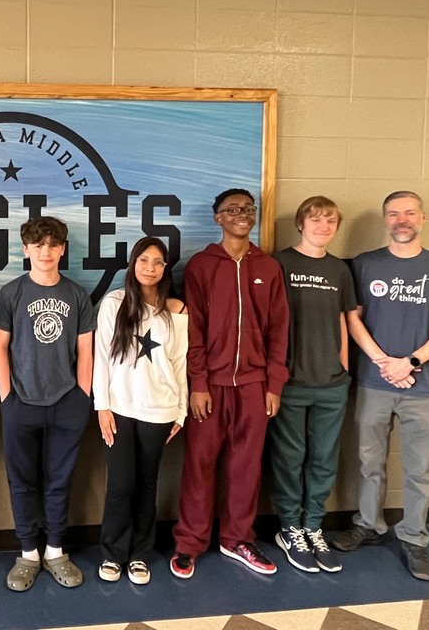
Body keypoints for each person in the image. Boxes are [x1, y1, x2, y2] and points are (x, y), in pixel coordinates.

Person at [331, 191, 429, 581]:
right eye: (394, 214)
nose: (402, 219)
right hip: (374, 382)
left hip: (425, 386)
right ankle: (368, 524)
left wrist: (409, 362)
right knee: (368, 461)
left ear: (422, 219)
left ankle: (414, 538)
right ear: (385, 220)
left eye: (409, 213)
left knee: (419, 468)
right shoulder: (364, 265)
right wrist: (384, 362)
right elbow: (353, 320)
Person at [171, 188, 289, 579]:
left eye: (248, 208)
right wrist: (199, 382)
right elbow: (194, 331)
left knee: (246, 466)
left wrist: (274, 383)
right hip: (212, 386)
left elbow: (278, 331)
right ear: (217, 217)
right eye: (233, 209)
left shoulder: (268, 267)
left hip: (255, 386)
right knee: (199, 465)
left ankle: (237, 538)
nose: (242, 214)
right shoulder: (201, 266)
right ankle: (190, 542)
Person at [0, 216, 97, 592]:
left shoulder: (77, 295)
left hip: (67, 401)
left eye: (53, 245)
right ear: (25, 249)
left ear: (63, 249)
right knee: (21, 482)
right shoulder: (11, 294)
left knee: (59, 480)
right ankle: (28, 553)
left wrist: (82, 394)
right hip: (20, 402)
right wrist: (6, 397)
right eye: (38, 245)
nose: (46, 251)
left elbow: (86, 351)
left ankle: (55, 550)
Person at [269, 196, 356, 574]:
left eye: (330, 221)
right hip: (290, 381)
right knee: (290, 459)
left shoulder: (339, 270)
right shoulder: (280, 263)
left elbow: (343, 320)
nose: (323, 226)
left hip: (331, 383)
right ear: (301, 224)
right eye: (316, 219)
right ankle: (289, 528)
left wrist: (343, 369)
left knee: (323, 459)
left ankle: (312, 527)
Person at [93, 237, 187, 586]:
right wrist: (101, 406)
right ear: (133, 264)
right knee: (120, 485)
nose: (150, 267)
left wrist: (180, 413)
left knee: (147, 485)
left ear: (166, 268)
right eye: (143, 260)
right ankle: (113, 553)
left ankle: (139, 555)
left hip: (159, 410)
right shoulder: (113, 303)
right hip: (118, 409)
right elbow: (101, 359)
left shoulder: (176, 309)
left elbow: (180, 365)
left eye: (158, 262)